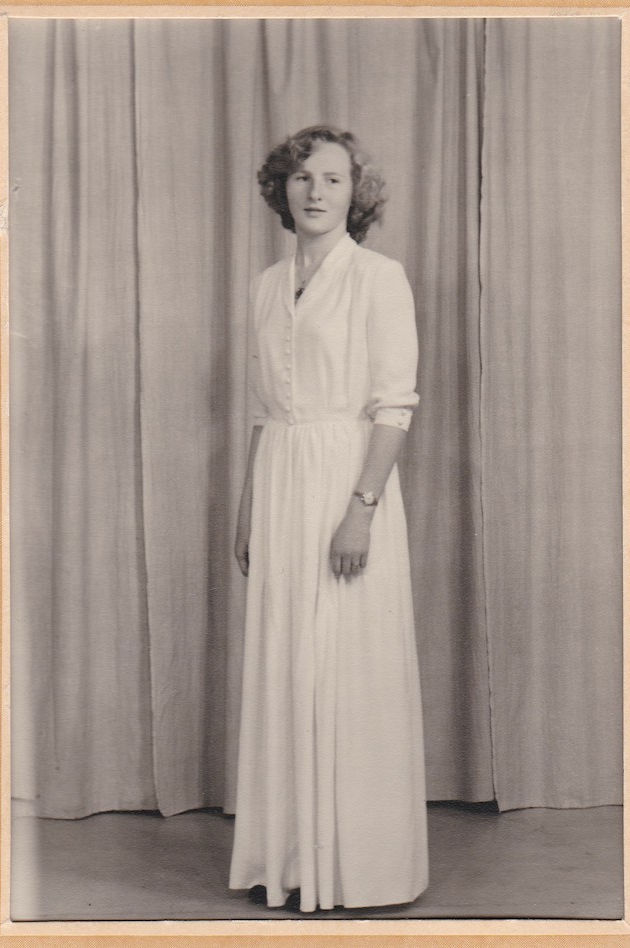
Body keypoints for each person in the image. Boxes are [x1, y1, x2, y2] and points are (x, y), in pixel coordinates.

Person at [229, 125, 428, 914]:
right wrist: (248, 506)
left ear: (356, 194)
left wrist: (361, 511)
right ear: (281, 189)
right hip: (280, 482)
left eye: (333, 179)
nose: (316, 191)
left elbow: (394, 406)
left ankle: (357, 867)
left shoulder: (378, 278)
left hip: (346, 479)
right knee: (287, 663)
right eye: (302, 177)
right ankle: (289, 860)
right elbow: (262, 410)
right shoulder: (265, 286)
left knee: (347, 666)